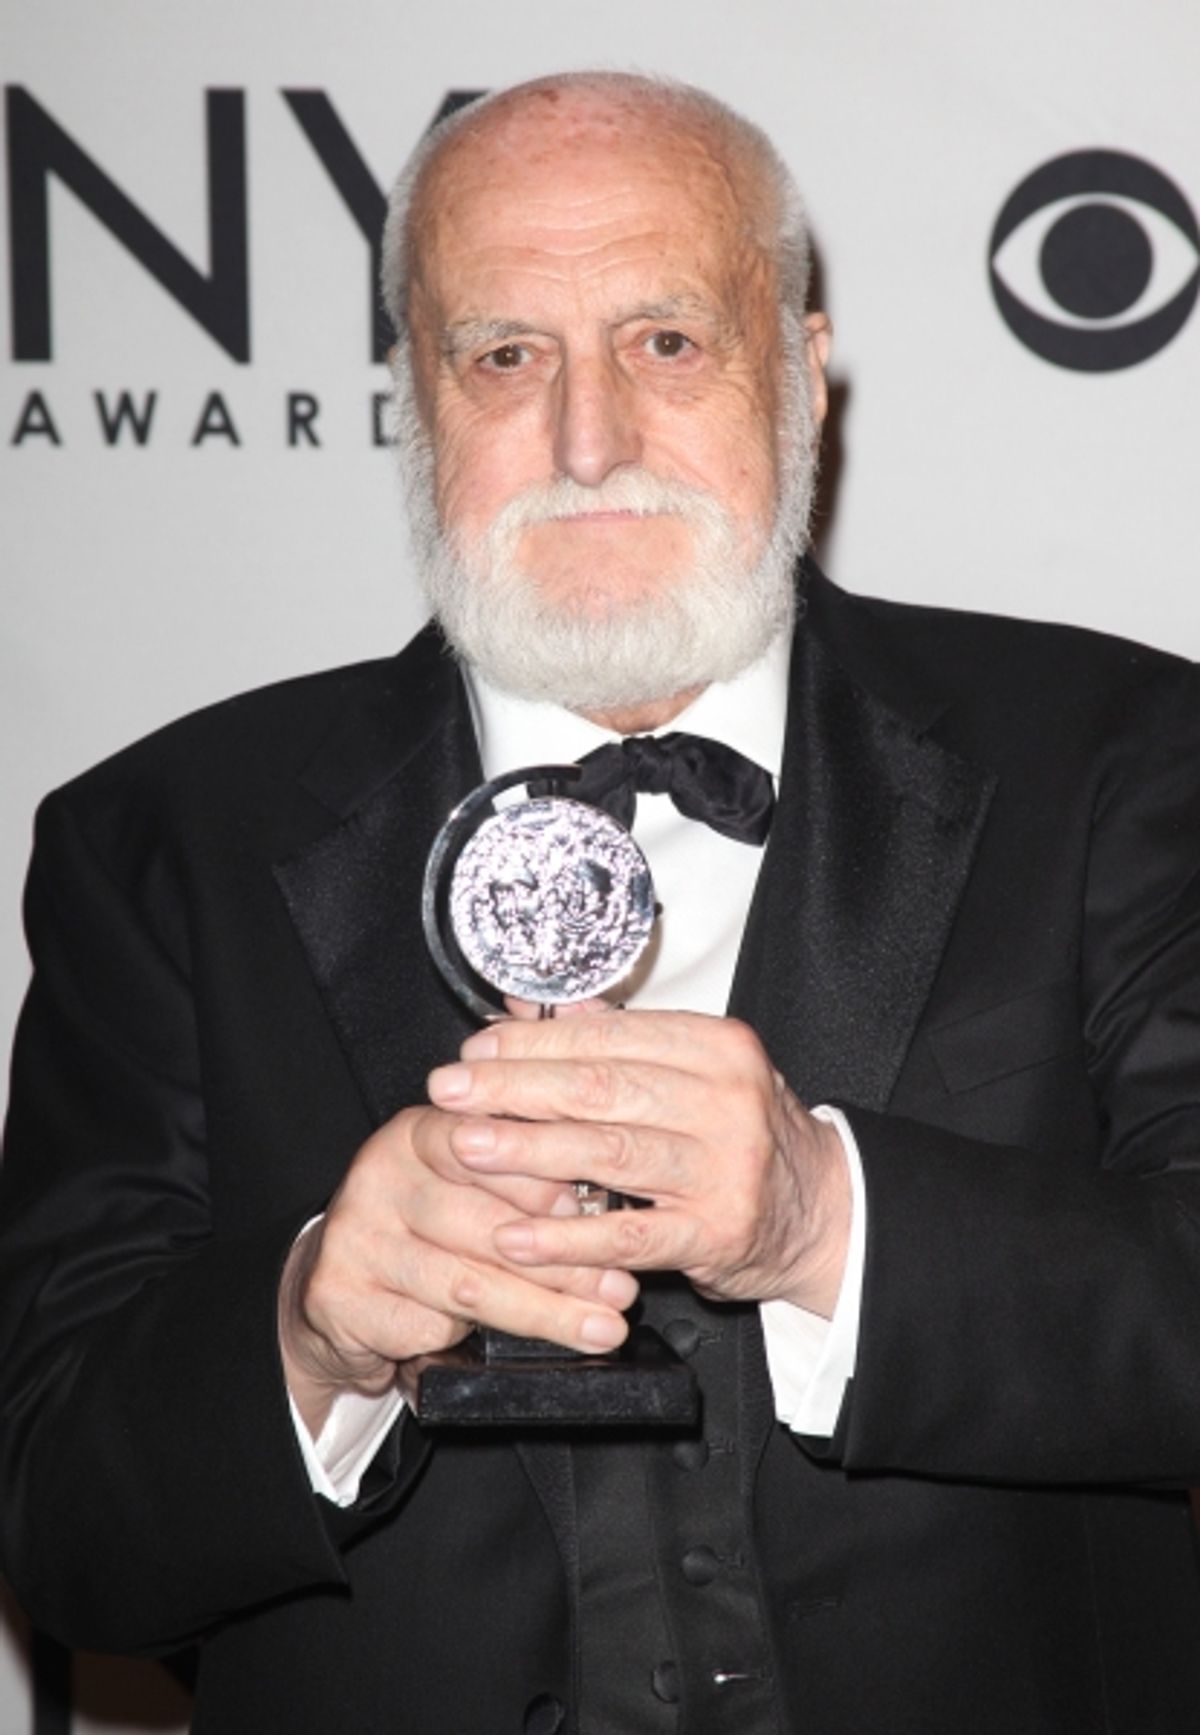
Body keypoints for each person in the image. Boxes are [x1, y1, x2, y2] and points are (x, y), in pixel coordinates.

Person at [2, 69, 1200, 1735]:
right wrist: (308, 1340)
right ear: (417, 404)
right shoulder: (161, 843)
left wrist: (828, 1221)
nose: (589, 441)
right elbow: (64, 1531)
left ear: (799, 372)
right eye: (505, 357)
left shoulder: (1126, 761)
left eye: (666, 341)